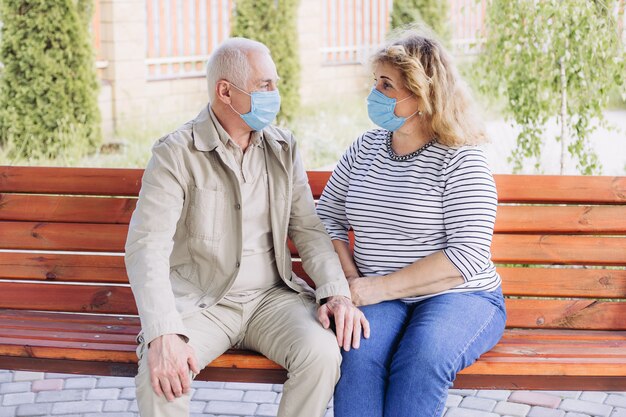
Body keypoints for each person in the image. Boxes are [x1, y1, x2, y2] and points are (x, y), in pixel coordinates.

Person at [125, 37, 369, 417]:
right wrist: (162, 332)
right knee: (162, 376)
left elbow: (308, 229)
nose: (276, 94)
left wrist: (335, 293)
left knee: (321, 354)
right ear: (226, 91)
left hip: (272, 300)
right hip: (202, 303)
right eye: (265, 85)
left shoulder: (283, 148)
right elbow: (147, 248)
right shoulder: (175, 153)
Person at [316, 30, 507, 417]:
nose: (375, 94)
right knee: (355, 354)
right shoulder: (364, 148)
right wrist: (352, 282)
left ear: (421, 95)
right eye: (375, 83)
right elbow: (328, 217)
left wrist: (374, 289)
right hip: (375, 290)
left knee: (420, 359)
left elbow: (466, 256)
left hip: (460, 297)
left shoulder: (461, 159)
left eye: (386, 85)